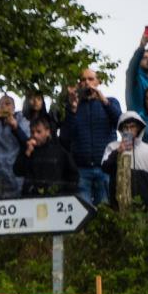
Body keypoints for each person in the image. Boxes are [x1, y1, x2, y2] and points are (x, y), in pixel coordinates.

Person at [60, 68, 122, 206]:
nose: (87, 83)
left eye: (90, 79)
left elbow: (121, 124)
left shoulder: (110, 102)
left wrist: (104, 101)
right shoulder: (72, 106)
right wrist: (72, 110)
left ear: (98, 82)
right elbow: (64, 138)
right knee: (83, 214)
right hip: (81, 169)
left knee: (105, 212)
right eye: (83, 80)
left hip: (105, 168)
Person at [100, 112, 148, 211]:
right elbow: (105, 167)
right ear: (121, 129)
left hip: (144, 206)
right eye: (126, 127)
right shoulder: (112, 146)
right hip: (118, 204)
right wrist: (117, 152)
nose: (129, 130)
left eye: (132, 127)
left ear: (138, 128)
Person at [14, 116, 79, 196]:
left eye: (39, 132)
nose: (35, 135)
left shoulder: (58, 151)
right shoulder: (27, 150)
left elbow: (73, 174)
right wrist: (27, 154)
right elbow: (17, 171)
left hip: (54, 197)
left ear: (47, 132)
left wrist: (64, 192)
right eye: (32, 132)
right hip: (31, 197)